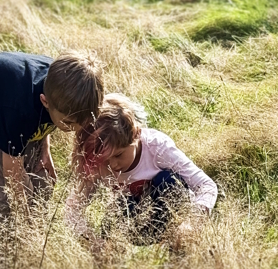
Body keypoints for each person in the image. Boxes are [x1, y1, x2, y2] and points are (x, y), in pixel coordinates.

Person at [0, 50, 105, 218]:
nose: (75, 128)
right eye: (68, 123)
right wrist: (26, 223)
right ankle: (6, 242)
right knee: (9, 196)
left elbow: (46, 118)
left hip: (8, 109)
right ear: (45, 101)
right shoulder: (21, 110)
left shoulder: (67, 88)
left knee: (43, 181)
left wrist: (45, 151)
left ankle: (35, 223)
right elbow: (12, 175)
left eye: (83, 122)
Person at [65, 93, 217, 245]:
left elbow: (206, 185)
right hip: (134, 222)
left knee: (166, 180)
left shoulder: (157, 147)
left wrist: (191, 222)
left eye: (118, 155)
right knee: (116, 211)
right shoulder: (98, 163)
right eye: (105, 160)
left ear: (136, 135)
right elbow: (72, 210)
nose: (113, 165)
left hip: (174, 215)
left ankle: (175, 246)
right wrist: (93, 243)